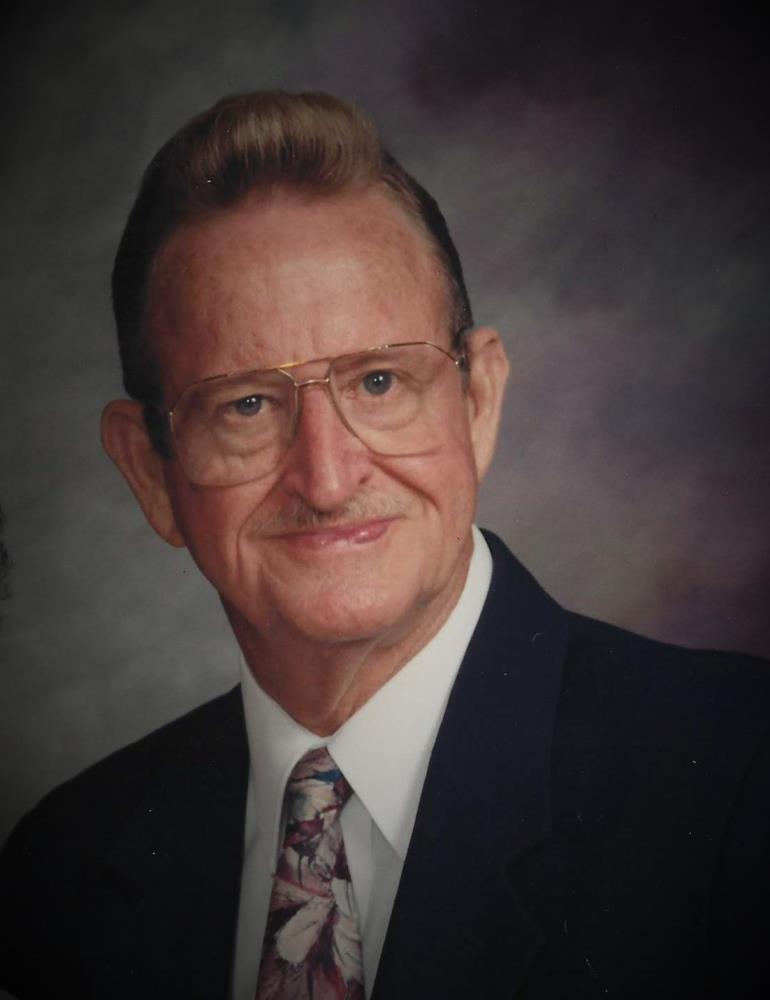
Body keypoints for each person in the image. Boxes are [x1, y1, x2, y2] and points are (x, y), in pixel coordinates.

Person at [1, 91, 768, 1000]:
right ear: (150, 472)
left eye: (378, 381)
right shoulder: (60, 872)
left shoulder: (741, 779)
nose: (327, 478)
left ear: (477, 404)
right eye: (246, 404)